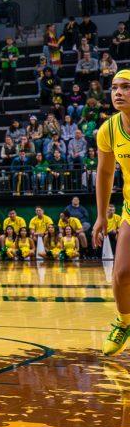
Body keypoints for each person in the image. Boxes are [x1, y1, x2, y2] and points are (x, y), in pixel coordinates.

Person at [95, 69, 130, 354]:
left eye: (126, 87)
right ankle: (123, 322)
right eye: (114, 88)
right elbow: (105, 173)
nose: (118, 92)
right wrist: (101, 216)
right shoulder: (108, 129)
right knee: (121, 274)